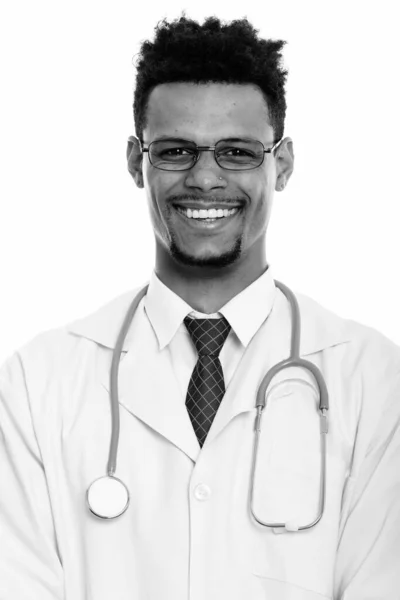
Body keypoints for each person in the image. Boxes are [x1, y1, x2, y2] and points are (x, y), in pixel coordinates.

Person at [0, 14, 399, 600]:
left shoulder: (372, 378)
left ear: (281, 164)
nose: (206, 178)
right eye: (176, 150)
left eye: (237, 152)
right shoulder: (39, 383)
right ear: (137, 162)